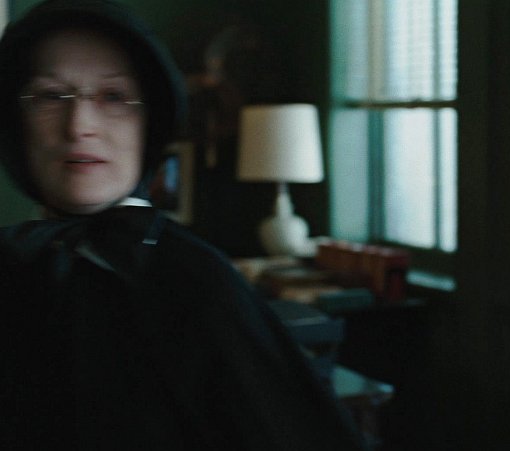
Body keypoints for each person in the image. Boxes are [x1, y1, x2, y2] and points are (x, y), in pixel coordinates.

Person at [0, 1, 367, 449]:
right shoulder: (11, 265)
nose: (79, 126)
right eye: (50, 96)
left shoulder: (201, 284)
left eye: (114, 97)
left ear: (151, 123)